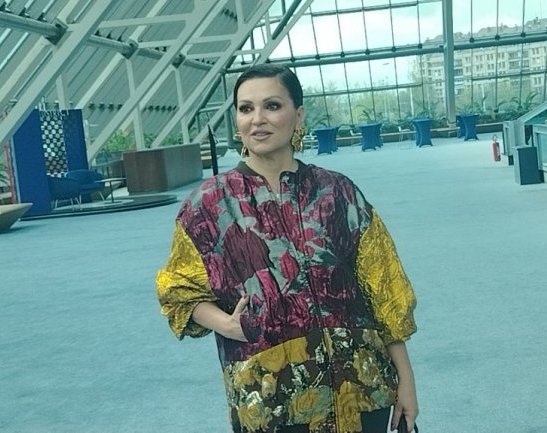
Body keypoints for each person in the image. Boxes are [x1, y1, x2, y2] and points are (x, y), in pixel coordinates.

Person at [156, 64, 418, 433]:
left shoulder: (337, 192)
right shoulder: (209, 205)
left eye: (272, 106)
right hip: (271, 401)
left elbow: (384, 291)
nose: (257, 119)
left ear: (299, 115)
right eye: (246, 109)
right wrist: (226, 324)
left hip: (362, 387)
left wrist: (406, 380)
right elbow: (177, 292)